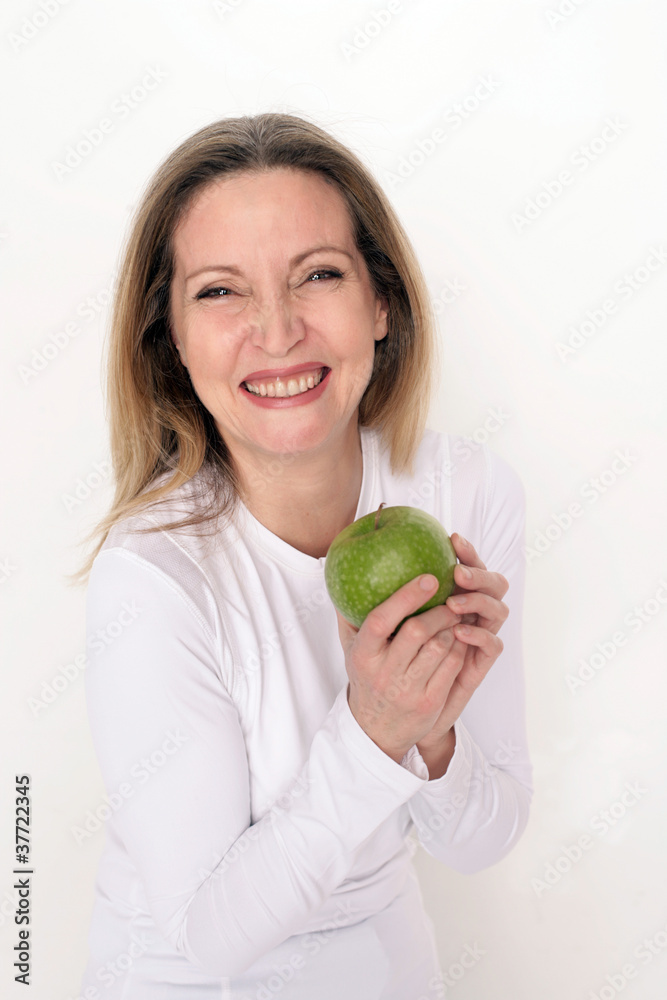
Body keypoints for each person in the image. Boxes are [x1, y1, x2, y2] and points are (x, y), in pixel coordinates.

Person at [75, 112, 532, 1000]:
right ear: (169, 334)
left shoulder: (466, 492)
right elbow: (210, 939)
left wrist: (431, 731)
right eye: (219, 292)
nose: (277, 332)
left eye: (318, 275)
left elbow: (484, 838)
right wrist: (373, 730)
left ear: (381, 302)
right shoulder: (153, 575)